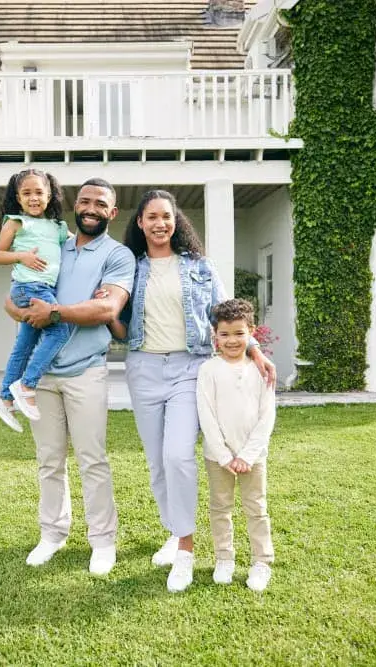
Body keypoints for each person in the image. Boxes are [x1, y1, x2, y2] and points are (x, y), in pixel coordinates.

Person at [105, 189, 275, 593]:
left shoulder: (199, 265)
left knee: (178, 455)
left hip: (188, 368)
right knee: (158, 463)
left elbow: (224, 311)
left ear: (176, 221)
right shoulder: (131, 267)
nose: (160, 223)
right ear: (140, 223)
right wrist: (108, 317)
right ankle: (175, 530)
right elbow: (121, 321)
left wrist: (255, 351)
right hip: (143, 367)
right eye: (152, 217)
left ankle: (185, 549)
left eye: (167, 216)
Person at [4, 177, 134, 577]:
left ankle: (102, 541)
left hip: (86, 371)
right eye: (84, 201)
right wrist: (28, 313)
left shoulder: (118, 255)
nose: (91, 208)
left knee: (92, 459)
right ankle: (52, 535)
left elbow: (107, 310)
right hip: (41, 376)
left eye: (100, 203)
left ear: (112, 213)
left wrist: (55, 313)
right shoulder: (50, 241)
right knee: (49, 460)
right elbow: (12, 300)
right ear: (74, 206)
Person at [196, 298, 276, 592]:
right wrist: (225, 455)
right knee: (220, 508)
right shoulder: (208, 370)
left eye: (239, 333)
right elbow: (207, 415)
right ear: (214, 335)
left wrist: (247, 455)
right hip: (218, 458)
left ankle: (261, 561)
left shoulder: (261, 369)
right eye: (225, 334)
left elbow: (267, 416)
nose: (232, 340)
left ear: (251, 332)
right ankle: (224, 558)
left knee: (256, 507)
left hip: (253, 457)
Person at [0, 168, 70, 432]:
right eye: (27, 193)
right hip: (29, 287)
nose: (33, 198)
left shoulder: (57, 227)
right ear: (18, 197)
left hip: (42, 287)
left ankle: (5, 398)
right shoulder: (15, 222)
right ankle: (27, 385)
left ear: (49, 195)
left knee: (24, 345)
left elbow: (77, 243)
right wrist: (21, 256)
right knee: (60, 331)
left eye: (39, 192)